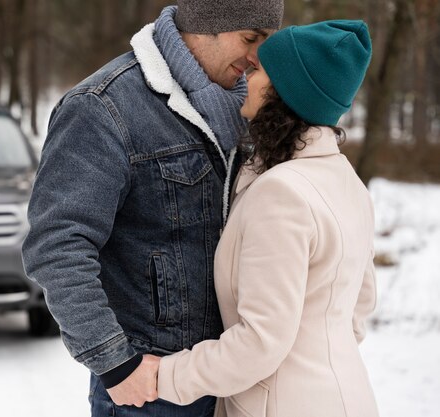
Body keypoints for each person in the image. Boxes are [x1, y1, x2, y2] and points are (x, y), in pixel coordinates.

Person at [21, 0, 283, 415]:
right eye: (250, 38)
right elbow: (58, 245)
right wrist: (114, 363)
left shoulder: (249, 114)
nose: (257, 57)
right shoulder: (104, 107)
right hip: (150, 387)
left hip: (233, 380)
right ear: (204, 26)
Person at [139, 20, 378, 417]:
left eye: (260, 70)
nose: (247, 76)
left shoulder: (282, 194)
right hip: (347, 396)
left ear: (281, 91)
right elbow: (358, 308)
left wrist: (164, 376)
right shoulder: (347, 182)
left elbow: (259, 343)